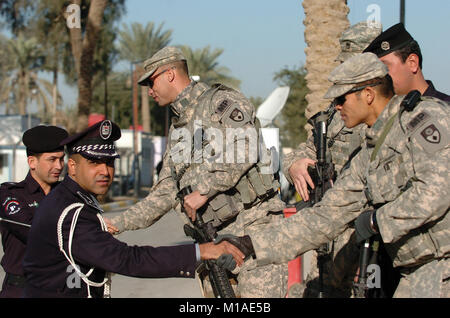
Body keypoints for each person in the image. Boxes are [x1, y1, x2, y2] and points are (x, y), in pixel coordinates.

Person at [225, 53, 449, 298]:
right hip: (419, 272)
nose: (337, 106)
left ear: (368, 95)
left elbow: (436, 191)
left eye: (341, 98)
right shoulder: (369, 154)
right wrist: (249, 245)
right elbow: (326, 215)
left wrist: (376, 220)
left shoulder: (422, 120)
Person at [107, 46, 288, 297]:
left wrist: (204, 190)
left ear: (170, 74)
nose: (149, 91)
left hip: (253, 232)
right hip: (213, 241)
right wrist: (115, 223)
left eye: (151, 81)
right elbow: (165, 193)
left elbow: (247, 145)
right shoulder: (178, 128)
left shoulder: (219, 102)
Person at [22, 120, 244, 298]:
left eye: (109, 163)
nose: (105, 171)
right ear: (73, 167)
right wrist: (201, 251)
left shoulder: (71, 199)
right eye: (94, 163)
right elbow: (126, 259)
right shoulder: (71, 211)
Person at [283, 21, 381, 297]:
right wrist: (295, 163)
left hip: (367, 237)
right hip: (330, 235)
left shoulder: (392, 111)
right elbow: (310, 147)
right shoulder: (337, 111)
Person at [0, 125, 68, 298]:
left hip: (61, 288)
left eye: (61, 159)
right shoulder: (11, 194)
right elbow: (32, 232)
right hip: (21, 289)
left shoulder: (67, 194)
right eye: (52, 159)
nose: (59, 166)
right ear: (32, 162)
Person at [363, 22, 450, 102]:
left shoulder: (445, 110)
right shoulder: (386, 115)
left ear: (412, 63)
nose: (379, 76)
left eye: (384, 67)